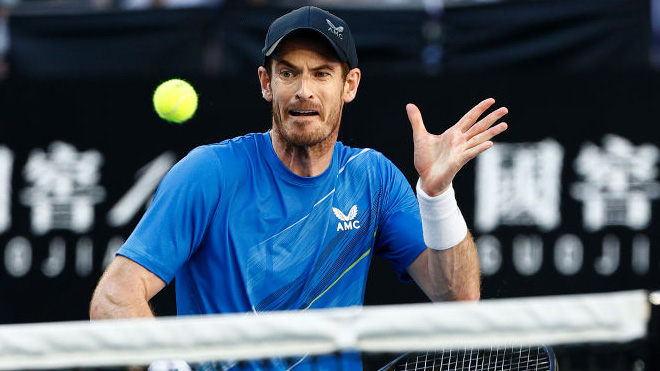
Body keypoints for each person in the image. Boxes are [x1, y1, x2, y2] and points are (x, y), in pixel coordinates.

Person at [89, 5, 508, 370]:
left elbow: (458, 298)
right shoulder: (208, 172)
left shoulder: (372, 178)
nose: (304, 90)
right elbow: (113, 298)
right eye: (288, 72)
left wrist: (437, 196)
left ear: (350, 85)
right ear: (266, 83)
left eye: (322, 73)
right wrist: (167, 365)